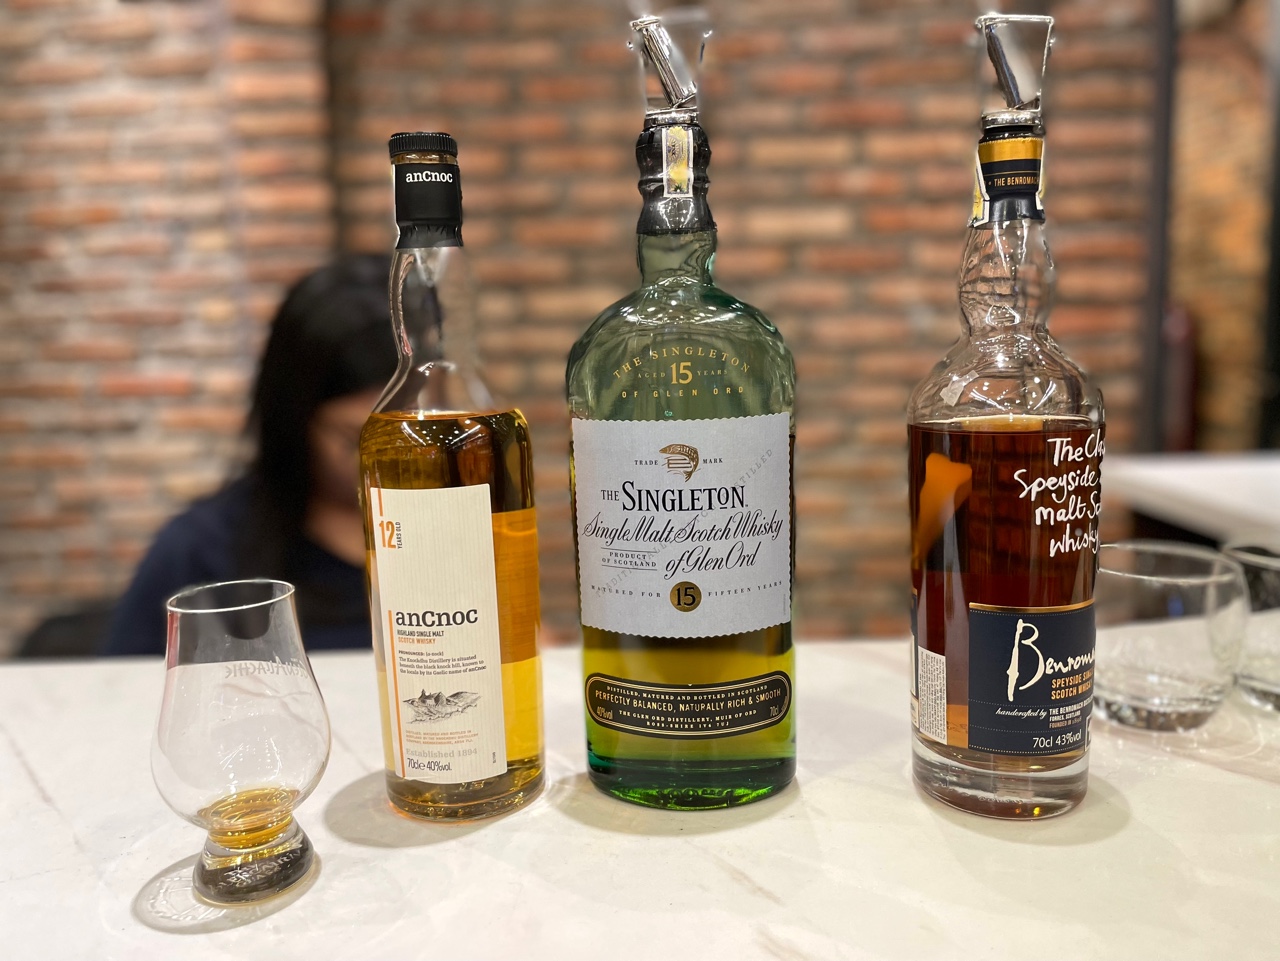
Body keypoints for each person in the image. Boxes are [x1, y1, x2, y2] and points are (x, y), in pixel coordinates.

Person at [101, 255, 397, 655]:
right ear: (295, 421)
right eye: (358, 439)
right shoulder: (202, 552)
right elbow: (124, 685)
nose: (395, 458)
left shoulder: (475, 533)